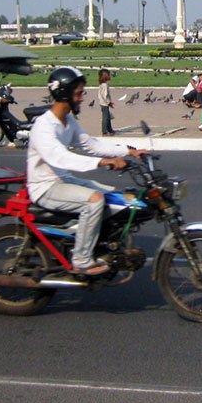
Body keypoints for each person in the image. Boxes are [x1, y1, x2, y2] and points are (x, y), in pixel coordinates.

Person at [26, 67, 145, 276]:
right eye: (79, 93)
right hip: (44, 187)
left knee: (113, 196)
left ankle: (100, 243)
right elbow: (59, 157)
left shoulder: (68, 121)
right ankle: (81, 260)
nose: (82, 98)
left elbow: (91, 145)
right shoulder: (44, 126)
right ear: (64, 94)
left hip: (62, 181)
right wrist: (103, 162)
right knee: (95, 199)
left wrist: (129, 151)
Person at [97, 68, 115, 136]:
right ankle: (104, 131)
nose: (110, 76)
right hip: (104, 104)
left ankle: (110, 130)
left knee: (108, 117)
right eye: (109, 75)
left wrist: (108, 102)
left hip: (102, 103)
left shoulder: (101, 85)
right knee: (105, 118)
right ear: (106, 76)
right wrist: (109, 102)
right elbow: (105, 96)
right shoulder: (105, 85)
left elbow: (100, 95)